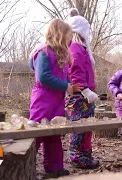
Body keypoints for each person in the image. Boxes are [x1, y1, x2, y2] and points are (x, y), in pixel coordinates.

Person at [29, 19, 80, 178]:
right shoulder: (44, 52)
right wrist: (66, 86)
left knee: (53, 133)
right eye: (68, 36)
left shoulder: (60, 54)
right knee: (37, 133)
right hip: (43, 99)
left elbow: (62, 77)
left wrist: (71, 85)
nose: (70, 40)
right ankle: (24, 165)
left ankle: (54, 167)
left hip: (57, 99)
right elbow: (43, 77)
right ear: (59, 35)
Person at [65, 12, 99, 169]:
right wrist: (85, 90)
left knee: (87, 126)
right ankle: (77, 155)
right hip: (79, 96)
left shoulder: (82, 48)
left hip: (85, 95)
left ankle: (85, 152)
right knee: (80, 126)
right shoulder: (75, 47)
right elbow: (75, 71)